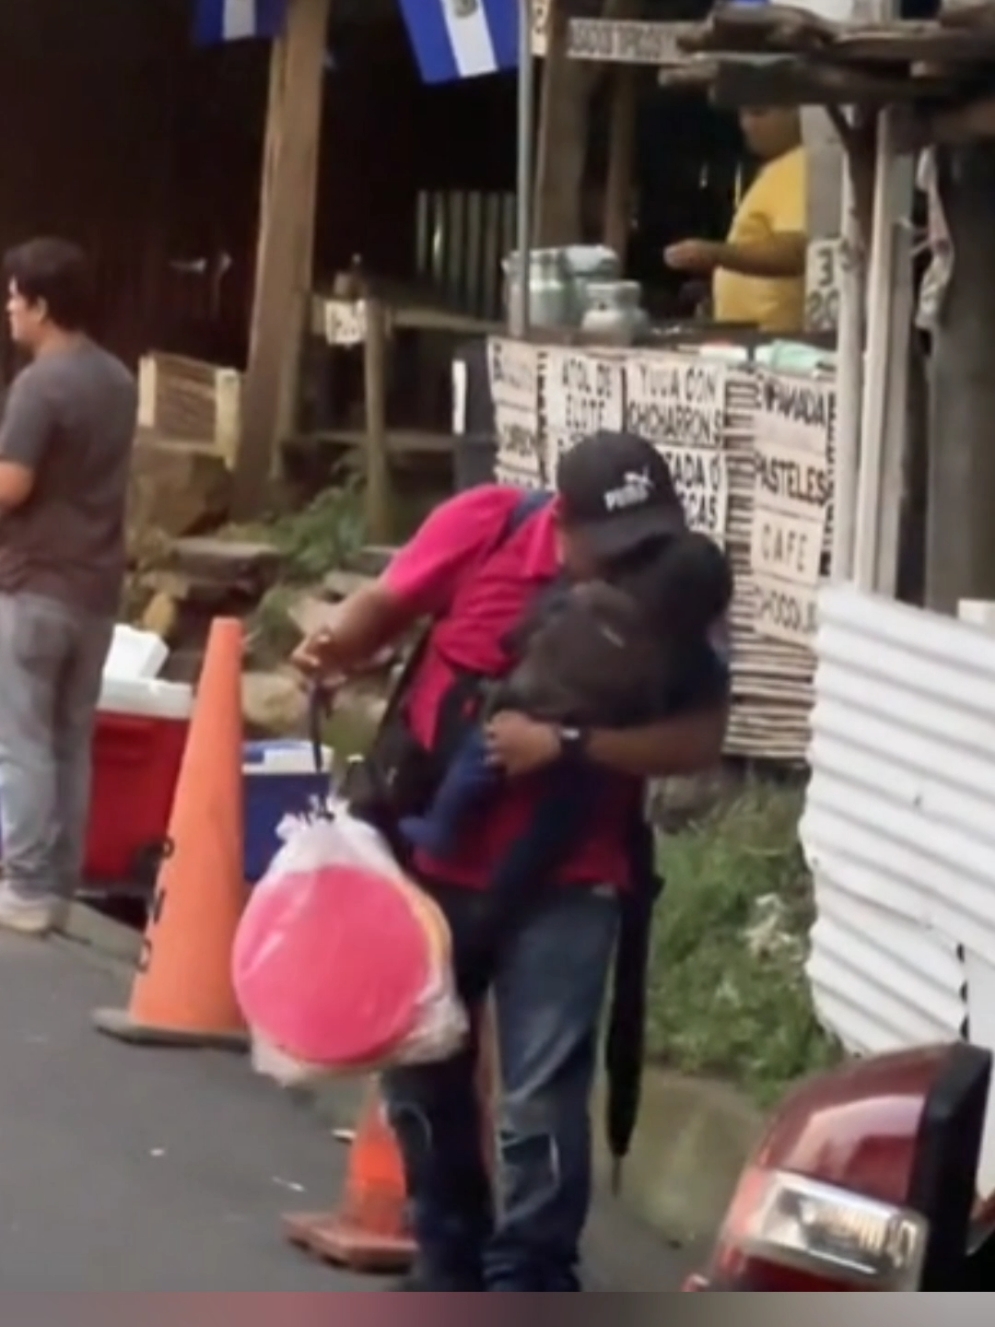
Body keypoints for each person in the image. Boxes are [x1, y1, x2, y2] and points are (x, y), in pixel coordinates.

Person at [292, 431, 730, 1292]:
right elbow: (387, 601)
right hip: (430, 868)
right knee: (421, 1078)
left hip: (570, 874)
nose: (620, 566)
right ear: (560, 522)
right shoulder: (486, 526)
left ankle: (530, 1272)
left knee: (540, 1096)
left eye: (641, 544)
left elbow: (699, 737)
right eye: (606, 547)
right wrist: (334, 648)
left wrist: (568, 744)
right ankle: (448, 1254)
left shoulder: (680, 590)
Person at [399, 530, 733, 859]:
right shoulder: (676, 654)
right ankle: (517, 877)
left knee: (477, 759)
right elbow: (664, 706)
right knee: (563, 818)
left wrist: (514, 645)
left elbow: (530, 625)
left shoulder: (587, 598)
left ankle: (442, 826)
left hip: (526, 702)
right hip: (594, 743)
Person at [0, 239, 138, 936]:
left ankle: (20, 883)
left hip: (34, 582)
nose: (8, 310)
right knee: (69, 739)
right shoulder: (117, 379)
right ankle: (57, 882)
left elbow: (12, 483)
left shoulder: (39, 384)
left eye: (14, 298)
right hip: (97, 585)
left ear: (42, 306)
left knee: (19, 737)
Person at [664, 107, 807, 334]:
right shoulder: (776, 170)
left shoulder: (800, 166)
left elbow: (796, 250)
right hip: (753, 334)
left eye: (758, 112)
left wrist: (715, 254)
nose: (745, 124)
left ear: (797, 112)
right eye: (742, 113)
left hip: (777, 337)